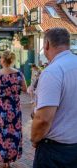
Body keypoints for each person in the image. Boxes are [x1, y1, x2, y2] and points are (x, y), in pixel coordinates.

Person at [31, 28, 77, 167]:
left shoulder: (53, 71)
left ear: (47, 45)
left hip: (55, 150)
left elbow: (43, 119)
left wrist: (34, 138)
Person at [0, 51, 27, 168]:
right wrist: (14, 92)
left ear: (2, 60)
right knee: (13, 133)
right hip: (14, 108)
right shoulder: (19, 74)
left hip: (1, 108)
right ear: (12, 60)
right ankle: (9, 160)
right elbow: (25, 89)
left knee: (0, 132)